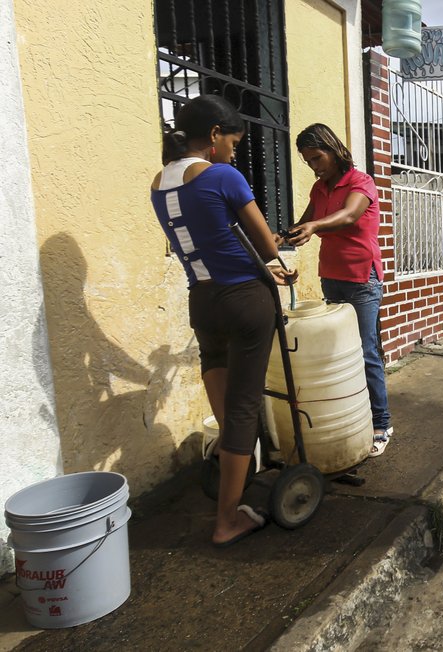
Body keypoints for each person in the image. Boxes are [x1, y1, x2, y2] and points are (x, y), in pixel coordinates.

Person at [150, 95, 296, 547]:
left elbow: (207, 240)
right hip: (245, 301)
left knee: (225, 406)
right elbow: (265, 242)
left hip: (203, 301)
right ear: (214, 135)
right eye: (232, 141)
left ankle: (235, 473)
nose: (234, 151)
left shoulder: (159, 182)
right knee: (242, 411)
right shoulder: (222, 175)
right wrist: (280, 258)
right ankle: (227, 520)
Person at [283, 123, 393, 457]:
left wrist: (315, 226)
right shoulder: (319, 189)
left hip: (362, 280)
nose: (315, 166)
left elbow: (348, 215)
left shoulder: (361, 182)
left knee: (366, 353)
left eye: (317, 157)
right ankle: (354, 416)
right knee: (341, 353)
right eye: (308, 161)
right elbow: (305, 221)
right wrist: (281, 236)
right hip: (331, 277)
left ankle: (381, 423)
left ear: (333, 149)